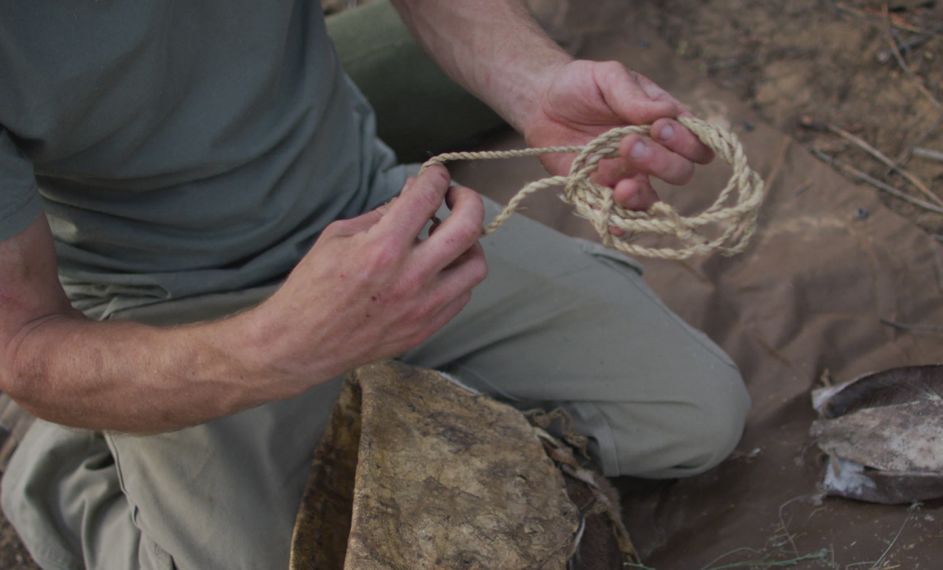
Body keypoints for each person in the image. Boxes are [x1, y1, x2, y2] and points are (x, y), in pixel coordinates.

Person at [0, 1, 750, 568]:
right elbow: (23, 343)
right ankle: (68, 461)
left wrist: (534, 83)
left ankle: (375, 397)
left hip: (370, 207)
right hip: (169, 308)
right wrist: (280, 348)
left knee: (697, 415)